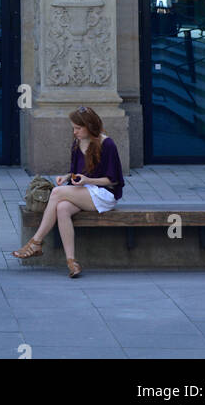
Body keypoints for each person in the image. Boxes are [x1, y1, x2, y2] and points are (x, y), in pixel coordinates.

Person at [12, 105, 124, 277]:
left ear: (90, 126)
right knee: (62, 208)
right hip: (84, 191)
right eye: (73, 128)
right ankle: (72, 262)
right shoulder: (77, 143)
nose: (75, 132)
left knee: (57, 193)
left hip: (104, 194)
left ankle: (36, 242)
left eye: (78, 128)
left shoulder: (107, 144)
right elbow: (77, 173)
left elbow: (113, 180)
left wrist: (88, 180)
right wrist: (66, 177)